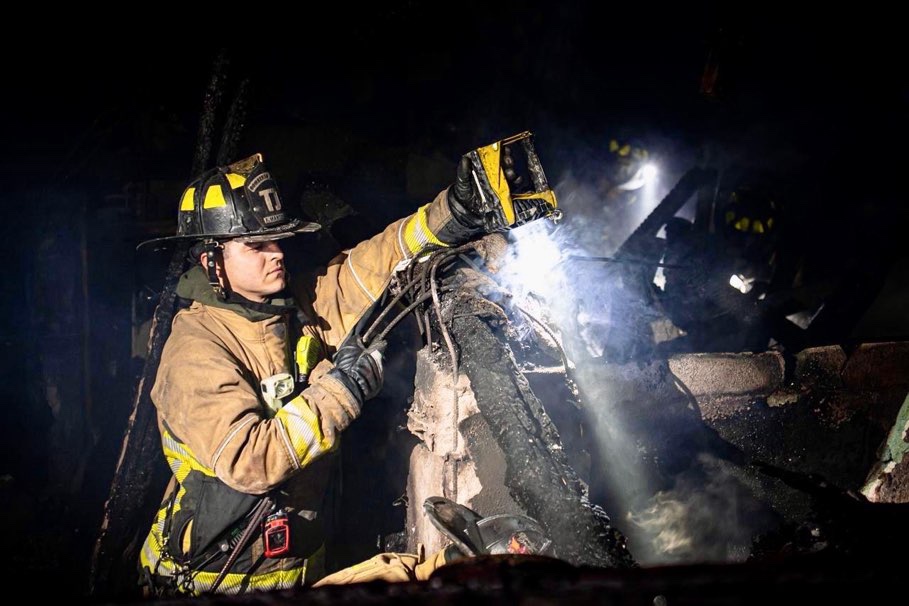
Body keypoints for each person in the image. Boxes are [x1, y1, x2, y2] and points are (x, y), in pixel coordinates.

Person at [135, 152, 497, 596]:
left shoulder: (292, 309)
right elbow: (250, 460)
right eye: (256, 246)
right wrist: (342, 390)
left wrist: (452, 213)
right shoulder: (196, 349)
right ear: (211, 260)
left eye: (276, 240)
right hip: (216, 580)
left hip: (297, 565)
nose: (276, 253)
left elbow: (370, 267)